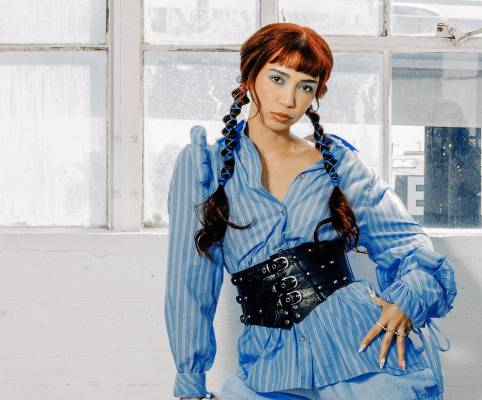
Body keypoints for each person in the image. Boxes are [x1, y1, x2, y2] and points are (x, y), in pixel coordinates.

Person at [164, 22, 457, 400]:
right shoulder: (205, 165)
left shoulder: (337, 163)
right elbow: (188, 284)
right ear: (250, 76)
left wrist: (408, 297)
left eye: (305, 86)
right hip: (270, 365)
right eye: (277, 79)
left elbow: (408, 243)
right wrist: (190, 382)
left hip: (362, 352)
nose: (289, 100)